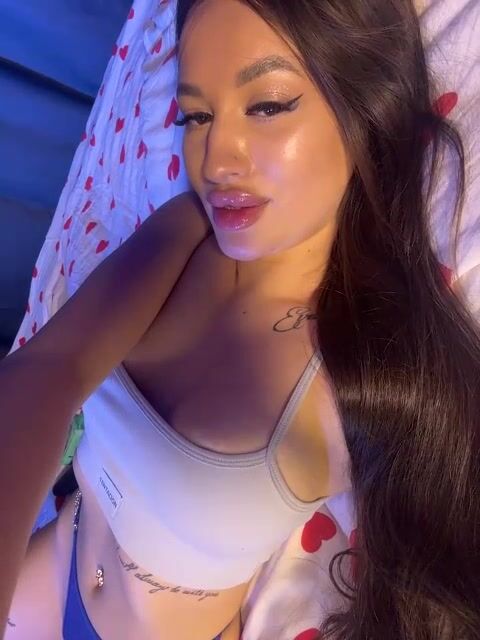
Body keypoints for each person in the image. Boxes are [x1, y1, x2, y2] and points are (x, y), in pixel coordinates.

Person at [2, 0, 479, 638]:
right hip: (51, 555)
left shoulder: (368, 362)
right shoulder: (186, 232)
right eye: (197, 116)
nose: (216, 160)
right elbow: (46, 371)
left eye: (267, 106)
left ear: (366, 105)